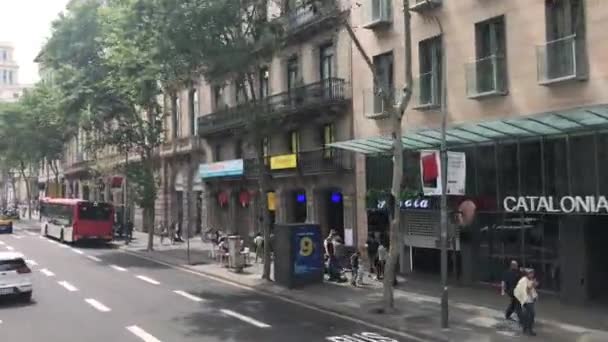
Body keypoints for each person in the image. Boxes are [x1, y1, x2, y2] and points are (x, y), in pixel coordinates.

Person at [514, 269, 539, 336]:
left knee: (528, 314)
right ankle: (529, 329)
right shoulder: (524, 280)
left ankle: (525, 328)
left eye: (532, 273)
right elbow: (526, 290)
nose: (532, 275)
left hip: (530, 300)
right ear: (527, 274)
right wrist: (532, 285)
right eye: (530, 274)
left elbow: (532, 290)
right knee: (532, 314)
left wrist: (534, 286)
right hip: (526, 300)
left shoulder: (531, 280)